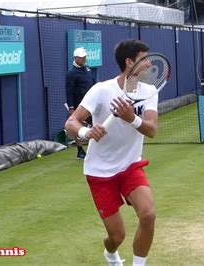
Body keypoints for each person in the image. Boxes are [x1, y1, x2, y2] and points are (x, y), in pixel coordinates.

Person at [64, 39, 158, 266]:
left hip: (130, 166)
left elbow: (151, 129)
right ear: (129, 62)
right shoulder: (101, 90)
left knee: (148, 215)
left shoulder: (150, 90)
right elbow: (71, 123)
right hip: (99, 172)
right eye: (144, 59)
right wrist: (86, 133)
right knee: (117, 237)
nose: (149, 64)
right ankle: (110, 254)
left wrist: (131, 118)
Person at [66, 47, 96, 159]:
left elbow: (93, 83)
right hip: (79, 105)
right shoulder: (71, 73)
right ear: (76, 58)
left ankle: (92, 149)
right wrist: (71, 107)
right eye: (82, 57)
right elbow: (68, 91)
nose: (84, 59)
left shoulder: (87, 68)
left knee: (96, 123)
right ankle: (80, 150)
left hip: (91, 102)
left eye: (85, 57)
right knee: (76, 126)